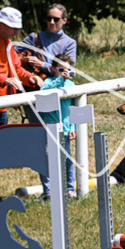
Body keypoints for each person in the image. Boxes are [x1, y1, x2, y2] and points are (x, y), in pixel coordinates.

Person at [0, 7, 41, 205]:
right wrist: (5, 80)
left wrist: (31, 78)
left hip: (3, 103)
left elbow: (17, 69)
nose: (16, 32)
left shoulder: (8, 43)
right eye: (13, 28)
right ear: (1, 24)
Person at [36, 54, 78, 200]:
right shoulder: (49, 81)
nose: (64, 73)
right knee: (46, 159)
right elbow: (44, 91)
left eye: (67, 70)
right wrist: (61, 79)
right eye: (61, 69)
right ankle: (48, 191)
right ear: (53, 68)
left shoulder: (72, 86)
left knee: (67, 158)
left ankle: (70, 188)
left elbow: (74, 107)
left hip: (65, 129)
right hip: (49, 127)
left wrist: (74, 127)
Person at [18, 3, 77, 78]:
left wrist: (43, 65)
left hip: (58, 85)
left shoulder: (70, 43)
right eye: (49, 19)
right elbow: (12, 53)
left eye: (56, 19)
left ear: (64, 20)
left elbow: (68, 69)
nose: (52, 22)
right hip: (35, 83)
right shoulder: (34, 37)